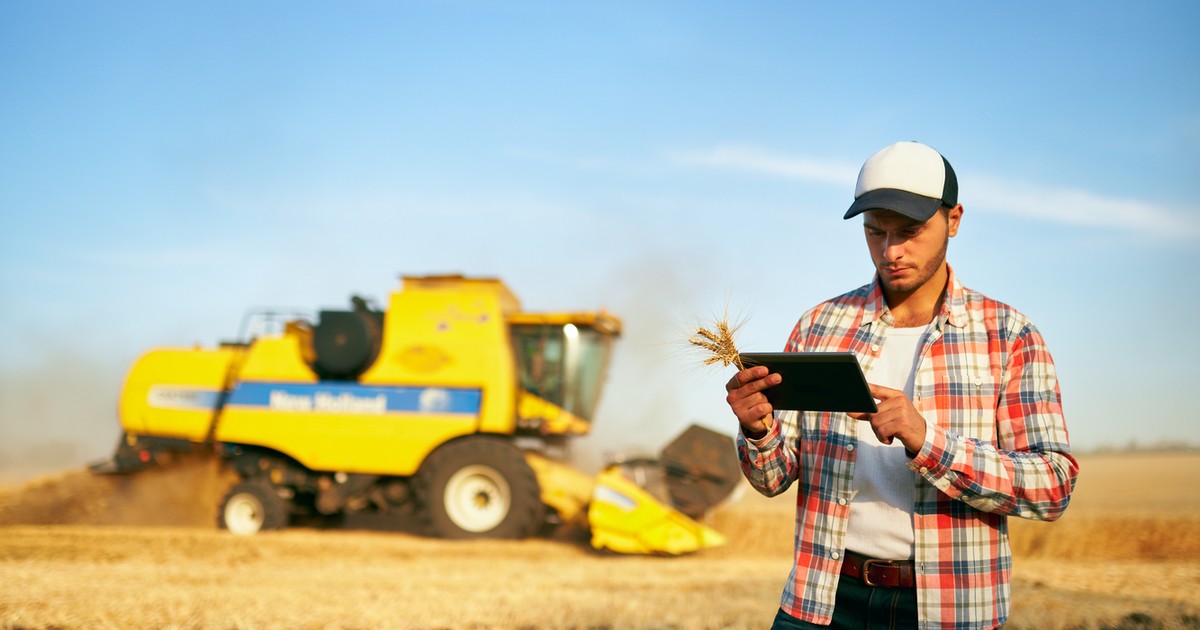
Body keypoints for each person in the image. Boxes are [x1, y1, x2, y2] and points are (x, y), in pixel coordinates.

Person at [725, 141, 1078, 629]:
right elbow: (772, 480)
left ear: (954, 220)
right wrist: (759, 430)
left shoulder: (1009, 334)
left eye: (910, 232)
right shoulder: (819, 327)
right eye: (876, 233)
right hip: (819, 600)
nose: (891, 251)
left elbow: (1053, 487)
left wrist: (926, 440)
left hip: (952, 608)